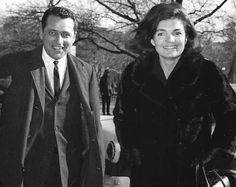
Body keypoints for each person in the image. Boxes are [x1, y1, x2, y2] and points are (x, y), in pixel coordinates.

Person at [113, 2, 236, 187]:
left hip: (192, 175)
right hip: (147, 174)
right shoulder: (134, 72)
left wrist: (212, 159)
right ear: (152, 39)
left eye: (177, 33)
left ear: (187, 37)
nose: (170, 40)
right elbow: (123, 118)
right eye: (161, 33)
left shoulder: (206, 71)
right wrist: (134, 152)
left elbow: (230, 117)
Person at [0, 6, 105, 187]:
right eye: (52, 33)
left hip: (70, 174)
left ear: (74, 36)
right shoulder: (11, 65)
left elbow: (94, 126)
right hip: (26, 173)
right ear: (41, 33)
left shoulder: (86, 72)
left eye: (65, 34)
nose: (59, 40)